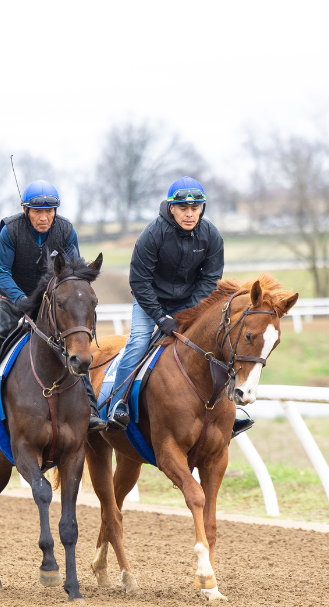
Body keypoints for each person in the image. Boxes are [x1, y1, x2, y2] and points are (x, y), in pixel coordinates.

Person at [107, 177, 252, 436]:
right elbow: (139, 281)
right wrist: (161, 318)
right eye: (183, 208)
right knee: (139, 341)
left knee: (216, 344)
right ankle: (118, 404)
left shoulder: (211, 236)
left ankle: (229, 412)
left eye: (195, 208)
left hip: (190, 302)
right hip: (150, 301)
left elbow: (210, 279)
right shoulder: (152, 234)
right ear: (171, 208)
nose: (189, 214)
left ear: (202, 209)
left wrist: (190, 312)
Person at [0, 180, 105, 431]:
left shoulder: (66, 230)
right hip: (11, 299)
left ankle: (91, 408)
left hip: (50, 301)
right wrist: (20, 300)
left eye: (49, 211)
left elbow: (72, 272)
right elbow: (1, 271)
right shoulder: (11, 230)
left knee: (75, 346)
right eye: (38, 212)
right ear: (26, 211)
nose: (44, 217)